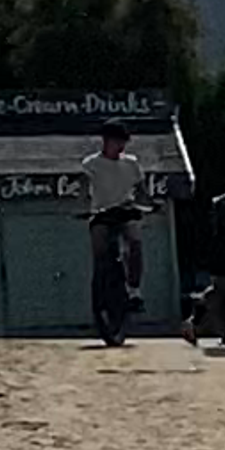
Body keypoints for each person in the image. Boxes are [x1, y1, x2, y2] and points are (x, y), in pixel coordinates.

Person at [84, 134, 145, 347]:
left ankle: (134, 290)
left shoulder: (131, 163)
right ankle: (101, 288)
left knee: (134, 242)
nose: (121, 146)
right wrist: (83, 206)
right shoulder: (91, 164)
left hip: (125, 211)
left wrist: (146, 205)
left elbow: (141, 190)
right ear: (106, 142)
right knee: (100, 247)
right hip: (101, 213)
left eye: (123, 143)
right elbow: (83, 189)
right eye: (117, 141)